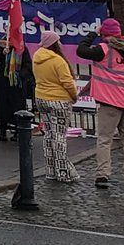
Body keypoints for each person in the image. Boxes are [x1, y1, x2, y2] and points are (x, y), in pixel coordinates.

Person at [77, 17, 124, 188]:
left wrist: (93, 32)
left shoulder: (104, 50)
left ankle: (102, 175)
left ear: (104, 34)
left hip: (110, 103)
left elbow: (81, 50)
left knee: (104, 139)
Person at [30, 30, 81, 183]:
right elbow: (67, 82)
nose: (60, 43)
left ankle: (51, 170)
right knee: (59, 136)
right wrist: (74, 96)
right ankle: (63, 172)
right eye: (58, 41)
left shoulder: (37, 58)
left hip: (41, 98)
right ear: (54, 43)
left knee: (49, 135)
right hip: (59, 100)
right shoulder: (58, 61)